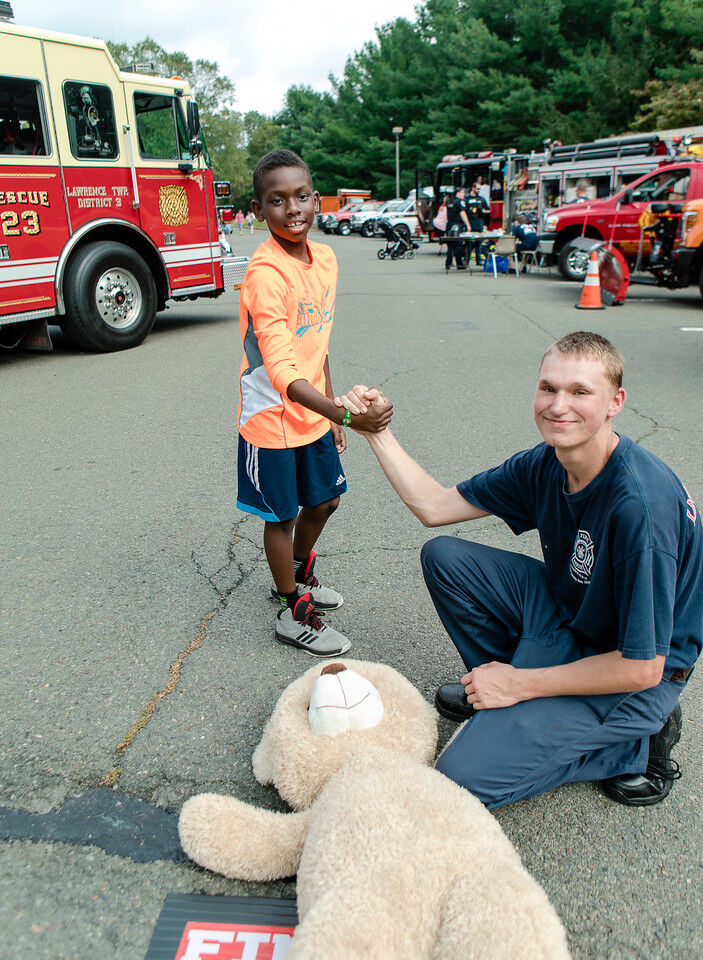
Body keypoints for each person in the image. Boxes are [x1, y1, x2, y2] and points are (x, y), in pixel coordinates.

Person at [334, 332, 701, 809]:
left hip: (640, 671)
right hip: (580, 618)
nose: (558, 405)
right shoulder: (546, 462)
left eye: (580, 392)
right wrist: (377, 433)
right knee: (447, 558)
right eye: (548, 388)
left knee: (457, 783)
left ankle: (639, 740)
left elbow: (642, 665)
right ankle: (513, 693)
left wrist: (518, 684)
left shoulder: (639, 506)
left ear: (616, 402)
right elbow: (434, 506)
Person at [237, 149, 392, 658]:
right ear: (260, 211)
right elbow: (282, 371)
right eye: (277, 200)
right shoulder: (266, 274)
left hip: (314, 408)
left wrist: (333, 406)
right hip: (271, 416)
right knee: (281, 515)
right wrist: (345, 413)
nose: (293, 208)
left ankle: (299, 574)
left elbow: (317, 343)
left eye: (302, 196)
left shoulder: (324, 258)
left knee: (325, 501)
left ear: (316, 197)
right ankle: (291, 608)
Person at [444, 187, 470, 271]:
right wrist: (468, 225)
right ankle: (459, 264)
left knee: (450, 245)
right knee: (458, 245)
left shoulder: (449, 201)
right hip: (457, 225)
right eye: (462, 192)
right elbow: (463, 214)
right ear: (458, 193)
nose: (464, 194)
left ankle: (448, 263)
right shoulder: (459, 202)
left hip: (449, 224)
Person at [465, 183, 488, 266]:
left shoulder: (481, 199)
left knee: (479, 241)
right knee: (469, 242)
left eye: (480, 189)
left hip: (479, 221)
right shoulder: (467, 198)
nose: (479, 190)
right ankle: (466, 260)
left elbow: (488, 210)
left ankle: (478, 260)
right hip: (470, 221)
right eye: (478, 189)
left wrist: (483, 211)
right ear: (473, 188)